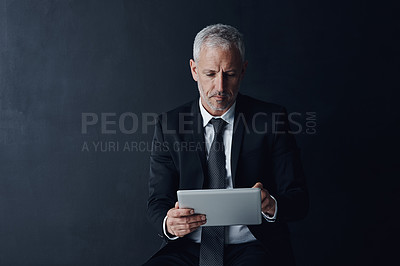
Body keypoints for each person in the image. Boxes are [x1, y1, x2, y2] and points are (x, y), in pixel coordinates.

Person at [144, 24, 308, 266]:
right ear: (194, 70)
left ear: (243, 71)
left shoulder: (272, 120)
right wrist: (169, 223)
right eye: (210, 74)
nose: (220, 88)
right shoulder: (168, 125)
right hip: (187, 248)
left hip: (253, 246)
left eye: (229, 74)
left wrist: (271, 204)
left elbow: (299, 199)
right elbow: (158, 200)